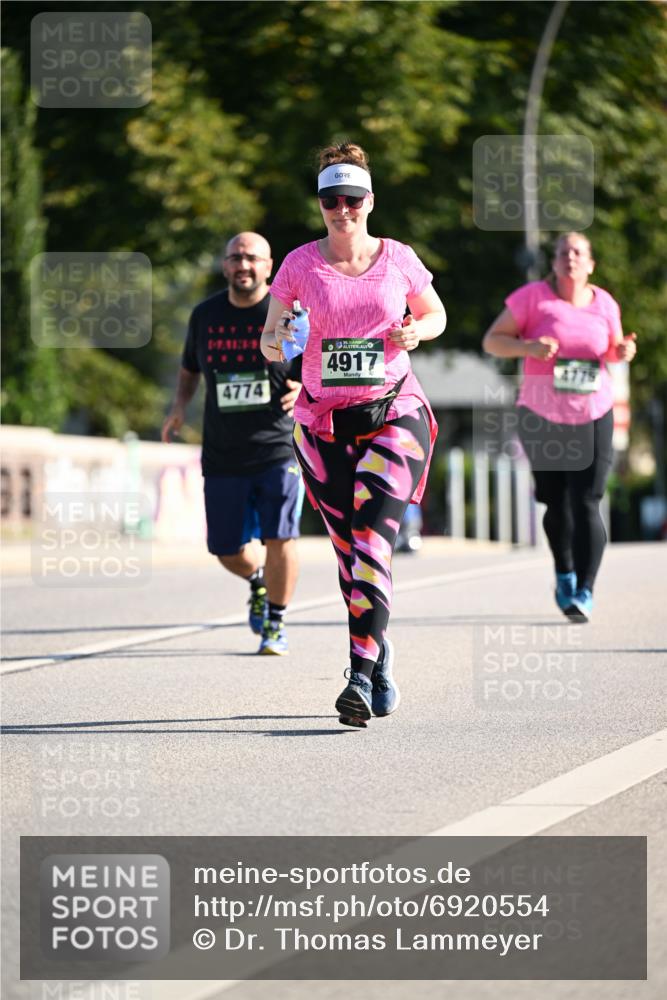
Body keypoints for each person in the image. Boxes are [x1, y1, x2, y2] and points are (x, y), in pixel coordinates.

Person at [261, 142, 446, 727]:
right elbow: (270, 340)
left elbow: (435, 313)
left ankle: (359, 675)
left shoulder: (399, 258)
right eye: (329, 200)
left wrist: (418, 332)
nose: (342, 210)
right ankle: (379, 647)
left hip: (394, 412)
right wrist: (284, 338)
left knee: (371, 538)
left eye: (351, 199)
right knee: (350, 556)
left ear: (370, 200)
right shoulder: (297, 265)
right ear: (320, 204)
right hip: (321, 425)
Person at [483, 232, 637, 622]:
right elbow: (493, 341)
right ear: (554, 262)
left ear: (590, 264)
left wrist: (621, 352)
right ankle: (564, 570)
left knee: (587, 500)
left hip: (592, 412)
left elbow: (612, 350)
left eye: (578, 252)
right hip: (542, 415)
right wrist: (528, 348)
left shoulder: (605, 303)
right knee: (556, 501)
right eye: (563, 252)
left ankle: (585, 590)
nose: (570, 257)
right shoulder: (532, 298)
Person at [162, 232, 302, 655]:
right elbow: (189, 369)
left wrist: (307, 390)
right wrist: (179, 408)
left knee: (282, 537)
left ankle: (275, 623)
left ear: (269, 266)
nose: (243, 265)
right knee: (225, 549)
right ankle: (258, 582)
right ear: (225, 266)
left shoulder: (286, 315)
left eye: (252, 258)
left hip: (277, 445)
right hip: (223, 451)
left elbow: (314, 361)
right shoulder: (205, 315)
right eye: (235, 258)